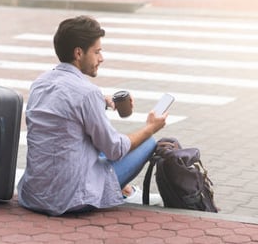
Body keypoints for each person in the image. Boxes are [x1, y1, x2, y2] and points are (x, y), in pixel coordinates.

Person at [17, 15, 168, 216]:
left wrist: (101, 103)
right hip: (71, 198)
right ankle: (123, 191)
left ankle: (126, 190)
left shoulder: (40, 83)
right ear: (79, 53)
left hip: (35, 194)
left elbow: (66, 114)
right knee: (147, 142)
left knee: (93, 144)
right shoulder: (87, 93)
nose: (101, 58)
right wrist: (150, 127)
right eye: (97, 52)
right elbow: (115, 149)